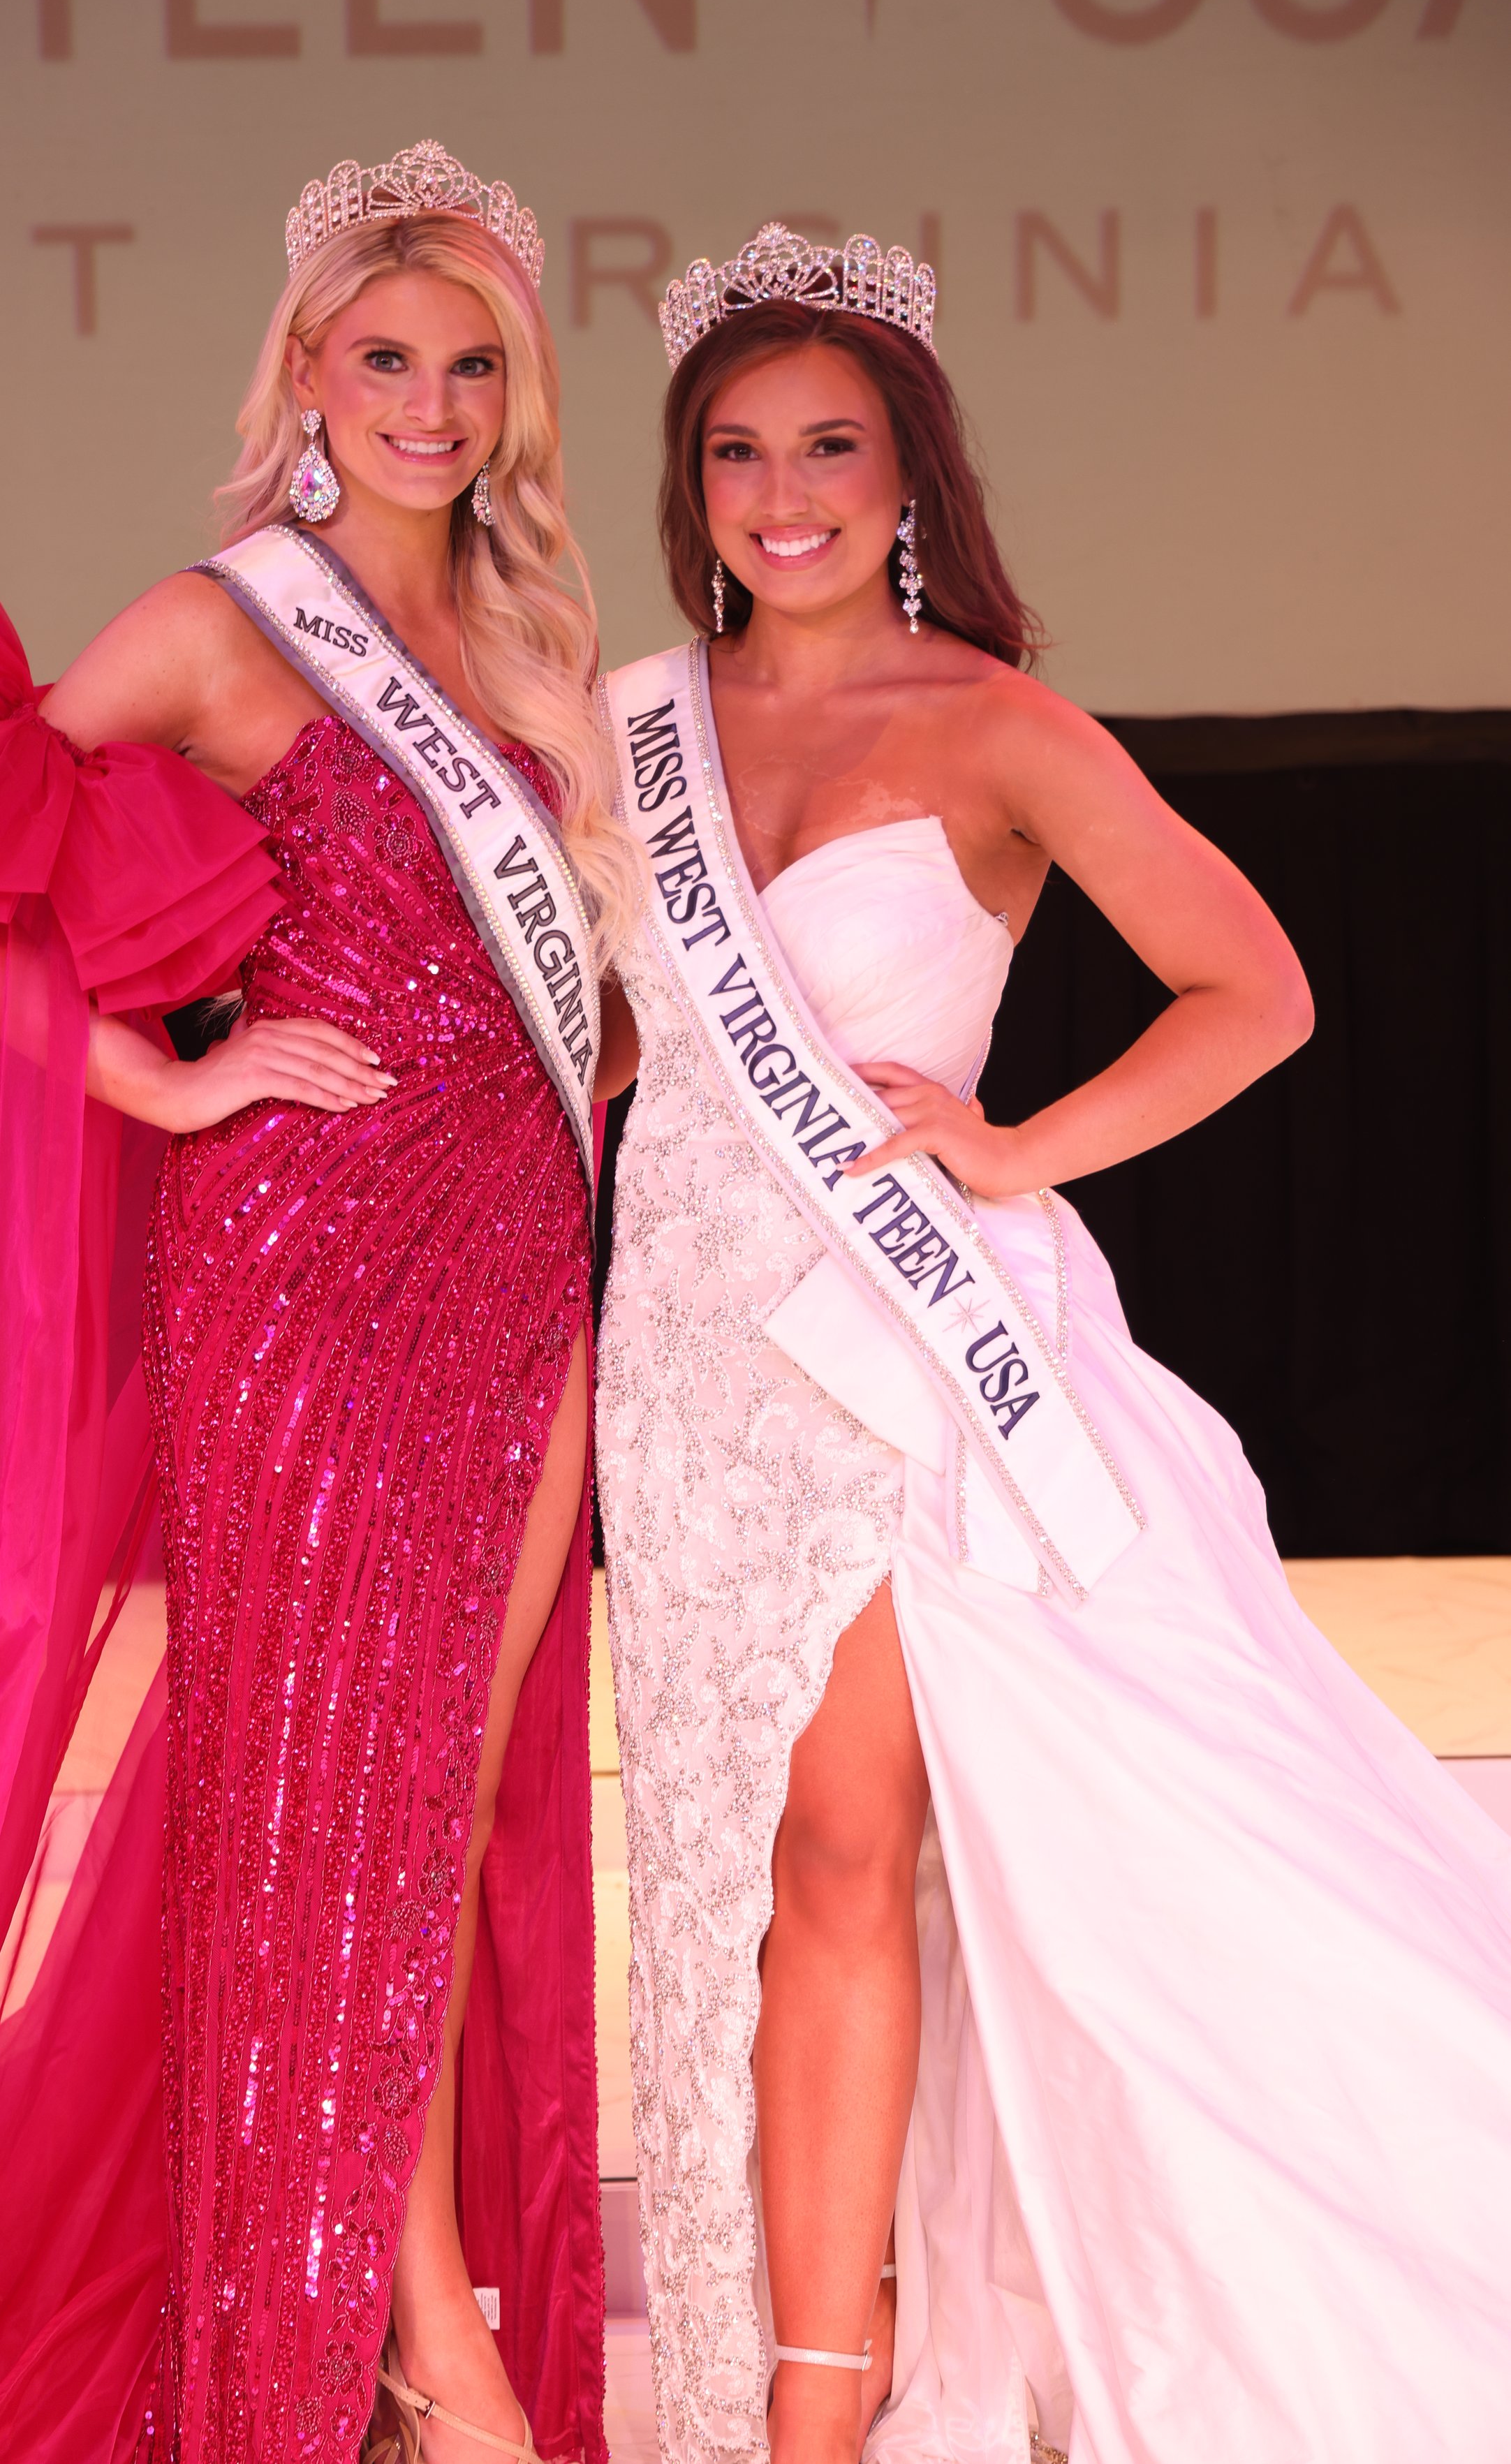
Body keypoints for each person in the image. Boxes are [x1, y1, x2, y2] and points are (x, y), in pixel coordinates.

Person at [594, 223, 1511, 2464]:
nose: (782, 494)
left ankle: (814, 2417)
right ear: (689, 481)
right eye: (736, 452)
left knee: (836, 1857)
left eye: (829, 446)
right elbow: (619, 1044)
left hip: (894, 1351)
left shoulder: (993, 722)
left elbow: (1254, 988)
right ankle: (824, 2345)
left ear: (909, 472)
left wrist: (1017, 1150)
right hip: (686, 1368)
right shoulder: (629, 727)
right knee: (734, 1873)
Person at [0, 143, 634, 2464]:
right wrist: (168, 1079)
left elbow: (563, 979)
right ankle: (418, 2341)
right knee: (329, 1793)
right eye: (386, 359)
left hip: (516, 1261)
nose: (430, 406)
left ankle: (365, 2311)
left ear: (517, 397)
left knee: (445, 1796)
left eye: (472, 366)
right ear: (308, 377)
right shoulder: (217, 624)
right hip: (303, 1270)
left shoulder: (531, 650)